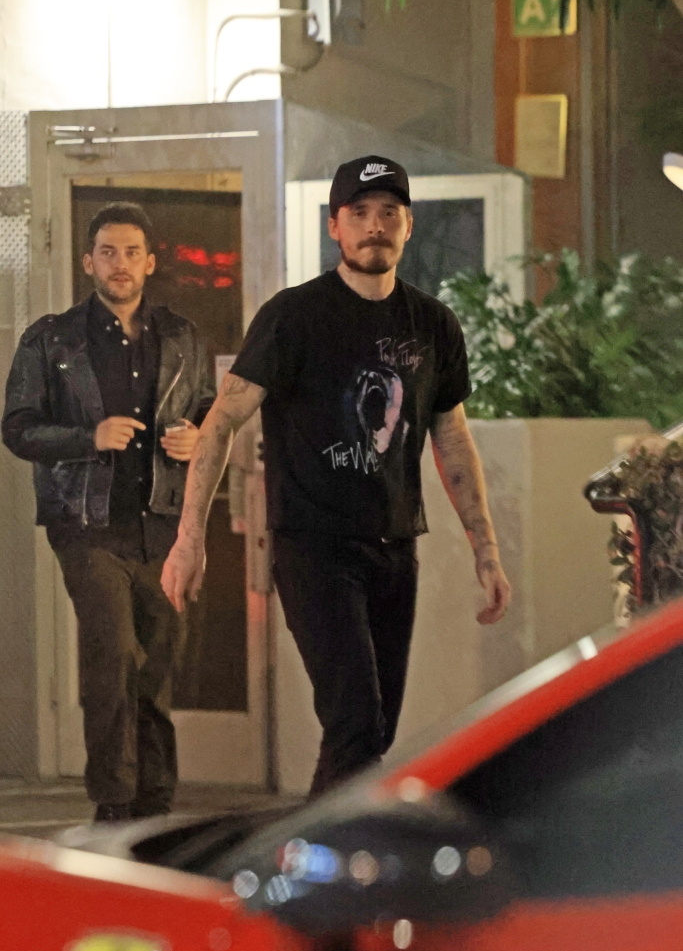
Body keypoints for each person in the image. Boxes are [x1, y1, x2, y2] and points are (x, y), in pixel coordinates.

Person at [161, 155, 511, 796]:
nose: (374, 227)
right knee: (353, 721)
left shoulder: (432, 324)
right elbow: (220, 423)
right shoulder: (293, 316)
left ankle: (316, 857)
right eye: (359, 214)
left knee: (372, 732)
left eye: (388, 213)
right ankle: (320, 874)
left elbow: (451, 436)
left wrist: (486, 551)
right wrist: (190, 540)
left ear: (409, 225)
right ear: (335, 227)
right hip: (313, 547)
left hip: (393, 546)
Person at [2, 202, 215, 821]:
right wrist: (86, 438)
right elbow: (17, 429)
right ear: (87, 261)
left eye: (130, 253)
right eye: (106, 252)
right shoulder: (52, 338)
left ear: (150, 262)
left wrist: (198, 437)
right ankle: (115, 802)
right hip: (86, 526)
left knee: (158, 662)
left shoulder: (183, 335)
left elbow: (209, 411)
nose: (118, 265)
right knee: (113, 653)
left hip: (163, 527)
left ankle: (155, 800)